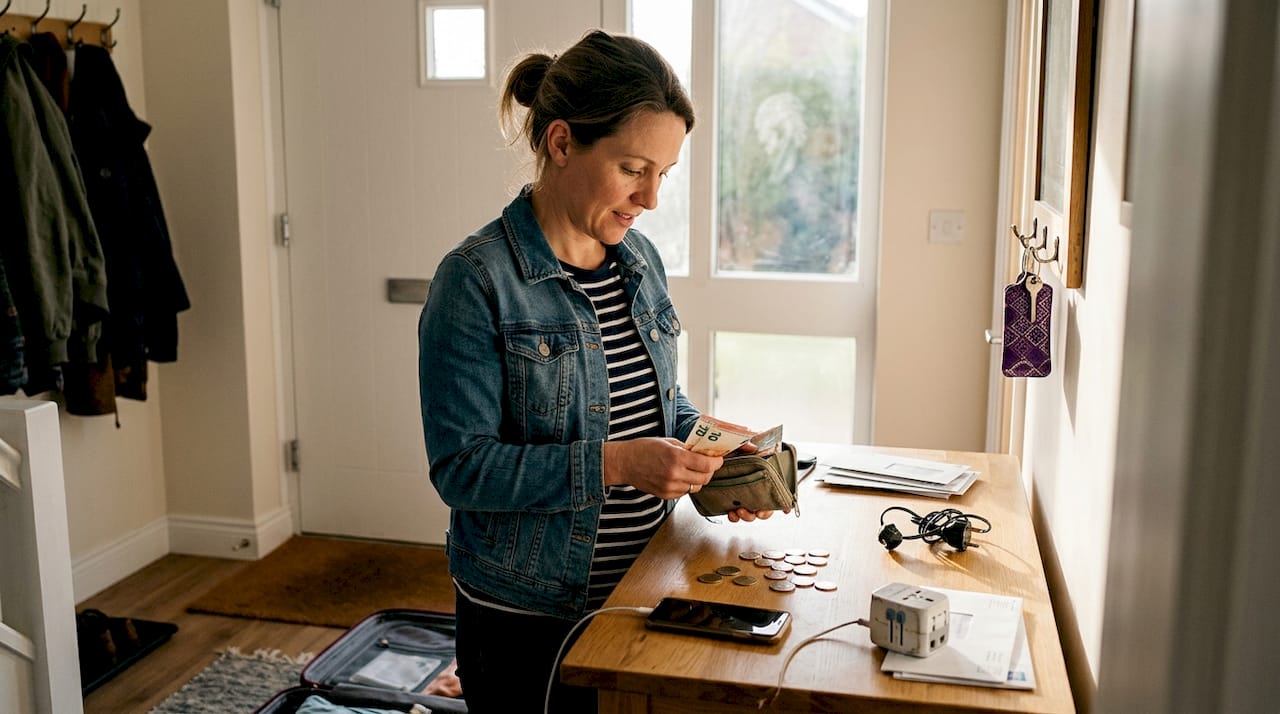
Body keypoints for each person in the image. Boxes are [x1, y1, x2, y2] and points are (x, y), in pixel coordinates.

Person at [418, 29, 780, 713]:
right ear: (561, 143)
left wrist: (714, 450)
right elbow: (461, 470)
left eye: (664, 174)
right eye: (633, 168)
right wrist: (617, 464)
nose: (651, 198)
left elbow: (652, 403)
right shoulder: (475, 281)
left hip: (643, 589)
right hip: (528, 618)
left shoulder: (640, 261)